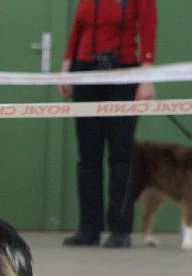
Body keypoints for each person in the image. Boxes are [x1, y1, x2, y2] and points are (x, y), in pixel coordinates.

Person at [59, 0, 156, 248]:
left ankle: (120, 229)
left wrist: (146, 78)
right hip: (85, 71)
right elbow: (78, 27)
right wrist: (66, 66)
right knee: (88, 155)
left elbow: (148, 28)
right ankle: (88, 228)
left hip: (123, 72)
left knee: (121, 154)